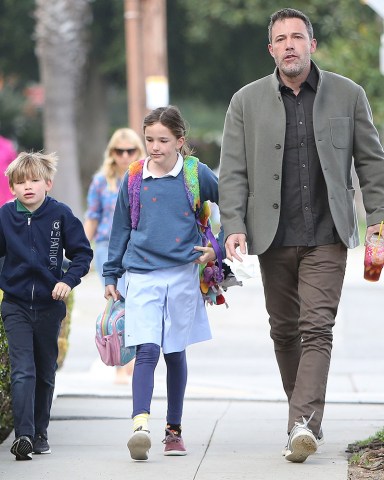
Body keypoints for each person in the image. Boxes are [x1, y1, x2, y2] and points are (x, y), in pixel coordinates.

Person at [218, 7, 384, 464]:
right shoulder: (245, 101)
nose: (290, 45)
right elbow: (231, 171)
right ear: (270, 49)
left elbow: (371, 163)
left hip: (328, 233)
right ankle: (304, 417)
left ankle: (301, 424)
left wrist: (378, 222)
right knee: (284, 331)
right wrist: (232, 225)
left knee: (317, 328)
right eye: (281, 39)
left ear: (312, 44)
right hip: (271, 236)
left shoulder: (348, 95)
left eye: (298, 37)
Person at [103, 105, 221, 461]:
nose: (155, 146)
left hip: (184, 274)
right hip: (141, 274)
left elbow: (232, 205)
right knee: (147, 349)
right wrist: (110, 274)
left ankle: (174, 431)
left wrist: (217, 248)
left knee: (174, 351)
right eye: (149, 139)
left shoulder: (195, 173)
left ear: (180, 141)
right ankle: (140, 426)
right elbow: (121, 227)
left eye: (163, 140)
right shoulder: (135, 176)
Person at [0, 152, 93, 461]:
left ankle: (40, 432)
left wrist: (67, 280)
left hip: (50, 305)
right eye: (21, 182)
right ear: (12, 186)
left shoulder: (61, 215)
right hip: (15, 305)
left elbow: (82, 254)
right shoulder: (4, 216)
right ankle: (23, 435)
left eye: (35, 180)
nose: (28, 186)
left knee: (44, 371)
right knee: (22, 370)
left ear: (48, 183)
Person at [84, 128, 145, 384]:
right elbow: (93, 216)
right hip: (106, 248)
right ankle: (122, 364)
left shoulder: (144, 176)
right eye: (119, 151)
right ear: (112, 153)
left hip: (137, 249)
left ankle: (132, 361)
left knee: (135, 304)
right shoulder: (101, 181)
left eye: (130, 150)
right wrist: (82, 252)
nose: (124, 155)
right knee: (118, 305)